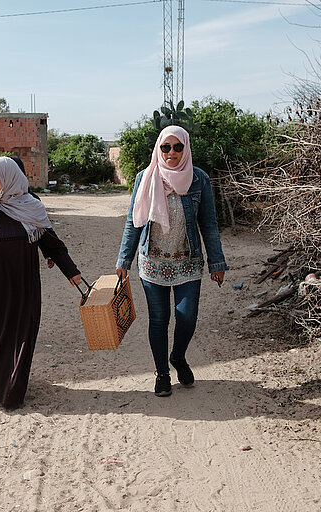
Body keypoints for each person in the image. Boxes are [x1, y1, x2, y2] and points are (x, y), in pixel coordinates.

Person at [0, 156, 82, 408]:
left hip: (22, 289)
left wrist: (72, 272)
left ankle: (11, 392)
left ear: (8, 180)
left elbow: (52, 244)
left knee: (19, 337)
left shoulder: (31, 209)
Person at [116, 125, 228, 397]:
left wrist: (217, 262)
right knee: (159, 318)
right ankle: (162, 374)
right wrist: (124, 260)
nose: (172, 152)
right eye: (166, 147)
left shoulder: (199, 179)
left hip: (187, 262)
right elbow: (134, 221)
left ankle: (177, 356)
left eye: (178, 147)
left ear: (186, 148)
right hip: (152, 262)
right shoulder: (146, 177)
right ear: (159, 148)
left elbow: (209, 223)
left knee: (187, 315)